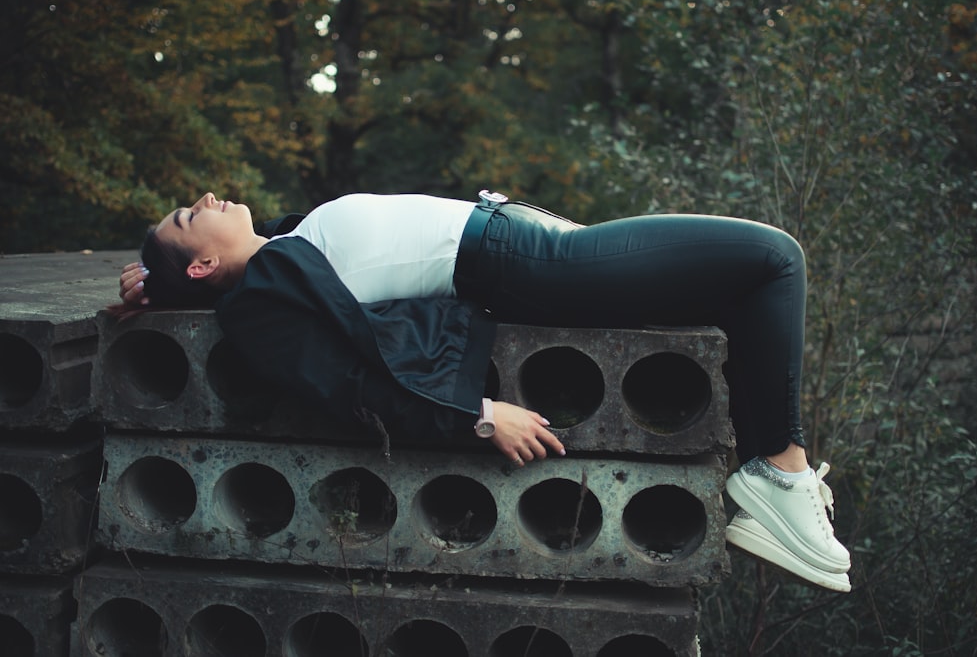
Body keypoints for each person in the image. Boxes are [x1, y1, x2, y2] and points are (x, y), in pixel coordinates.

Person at [118, 190, 852, 592]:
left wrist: (154, 282)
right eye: (191, 214)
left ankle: (768, 474)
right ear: (205, 262)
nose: (207, 194)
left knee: (740, 289)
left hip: (522, 240)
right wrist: (475, 416)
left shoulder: (281, 250)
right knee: (773, 258)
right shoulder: (265, 297)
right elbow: (344, 383)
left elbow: (248, 264)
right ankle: (779, 473)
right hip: (526, 260)